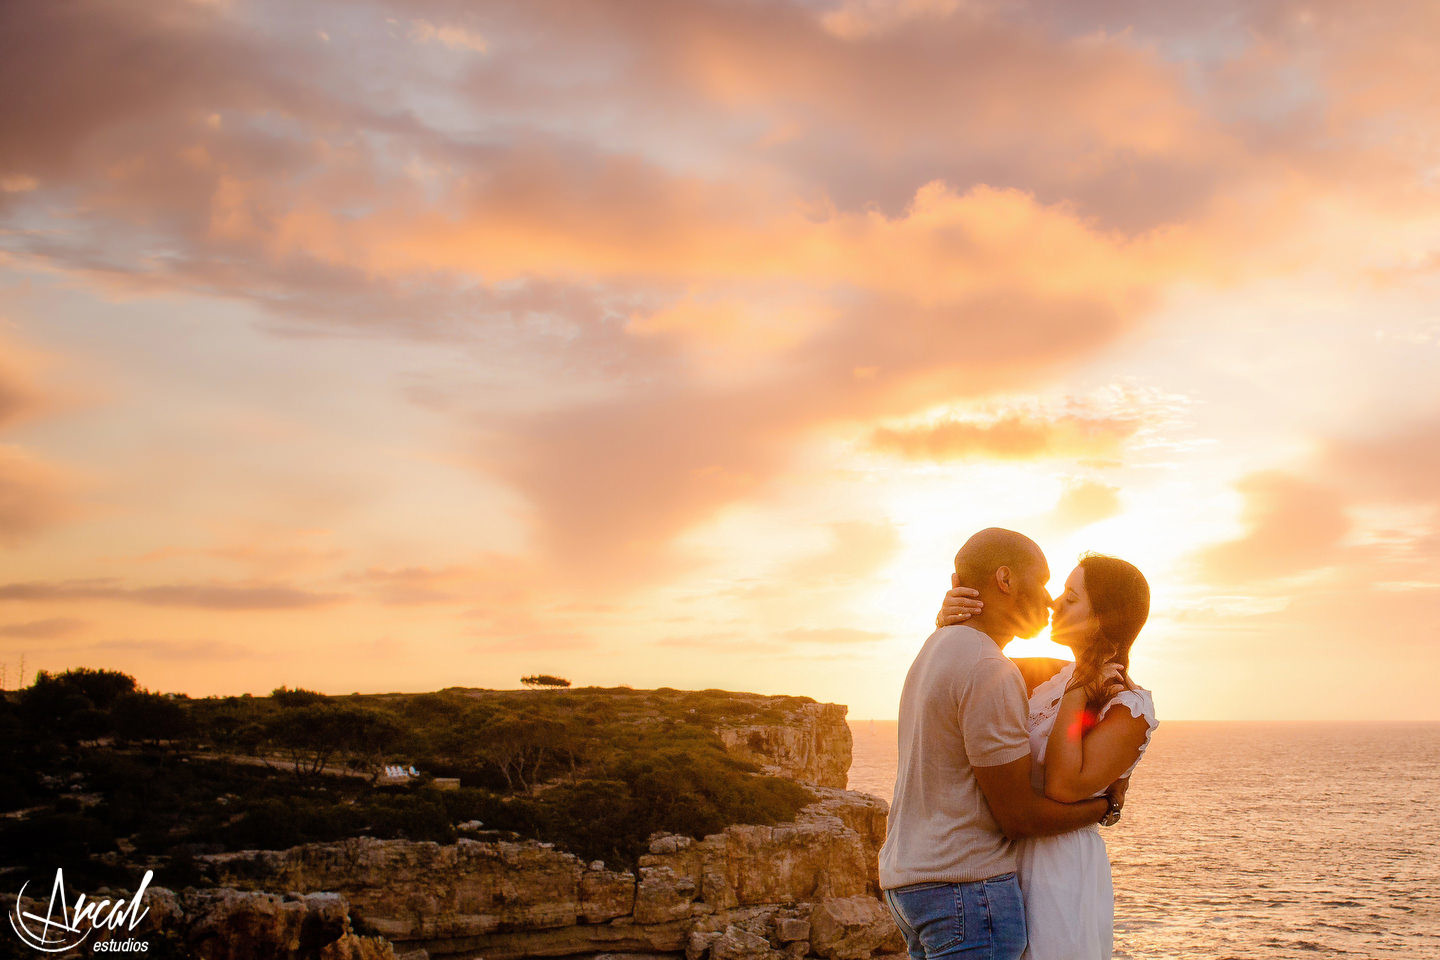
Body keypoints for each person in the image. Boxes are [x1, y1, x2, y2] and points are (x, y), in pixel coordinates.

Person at [879, 529, 1128, 960]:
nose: (1051, 600)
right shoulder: (986, 666)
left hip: (910, 885)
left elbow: (1056, 677)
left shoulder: (938, 647)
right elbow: (1018, 818)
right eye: (1046, 581)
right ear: (1006, 579)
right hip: (964, 891)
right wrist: (1107, 807)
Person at [937, 552, 1158, 960]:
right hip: (1002, 862)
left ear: (1102, 619)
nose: (1055, 603)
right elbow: (967, 665)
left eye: (1071, 597)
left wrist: (1078, 689)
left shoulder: (1129, 706)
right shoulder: (1045, 673)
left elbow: (1062, 785)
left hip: (1060, 871)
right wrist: (951, 619)